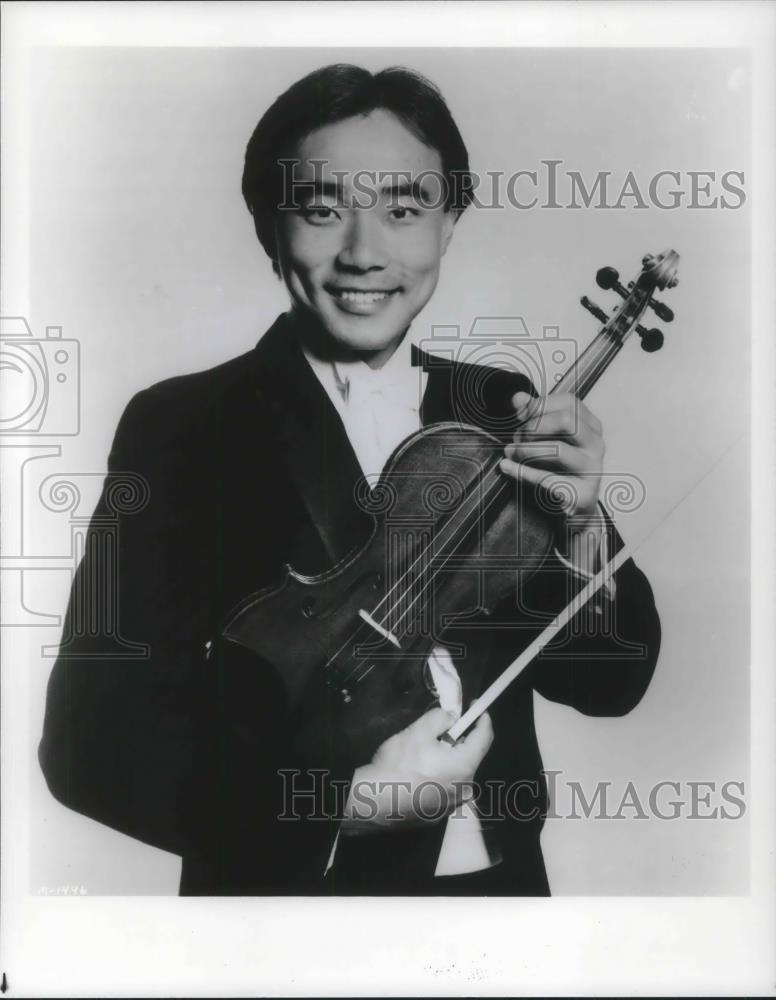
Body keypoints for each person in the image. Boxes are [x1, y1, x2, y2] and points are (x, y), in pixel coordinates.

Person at [38, 64, 661, 896]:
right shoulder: (179, 426)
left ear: (449, 225)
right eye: (322, 209)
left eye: (404, 210)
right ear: (268, 226)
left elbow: (610, 684)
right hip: (290, 918)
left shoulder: (501, 410)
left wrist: (582, 528)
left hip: (505, 905)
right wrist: (341, 806)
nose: (365, 253)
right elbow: (89, 743)